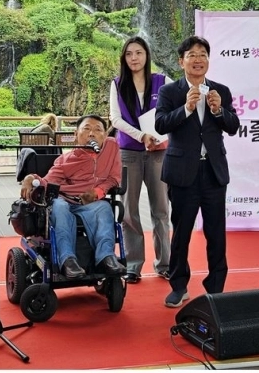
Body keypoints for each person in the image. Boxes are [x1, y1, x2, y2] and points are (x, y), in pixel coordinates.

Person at [155, 35, 240, 308]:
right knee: (181, 234)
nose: (198, 59)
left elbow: (233, 126)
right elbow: (160, 125)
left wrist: (218, 110)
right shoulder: (170, 92)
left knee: (216, 234)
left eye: (203, 54)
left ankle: (215, 288)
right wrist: (186, 108)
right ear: (181, 61)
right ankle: (179, 286)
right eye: (192, 55)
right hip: (183, 173)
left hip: (213, 173)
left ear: (208, 60)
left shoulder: (220, 91)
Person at [20, 114, 127, 279]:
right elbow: (47, 182)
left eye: (98, 130)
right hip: (65, 200)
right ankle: (67, 260)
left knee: (104, 207)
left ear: (105, 135)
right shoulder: (66, 160)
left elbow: (114, 178)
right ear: (76, 134)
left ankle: (106, 257)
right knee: (59, 207)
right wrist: (30, 178)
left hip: (90, 202)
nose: (92, 134)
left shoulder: (111, 147)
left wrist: (98, 192)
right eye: (86, 129)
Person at [109, 36, 172, 284]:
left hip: (158, 152)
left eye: (138, 53)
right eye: (129, 54)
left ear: (147, 55)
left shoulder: (162, 81)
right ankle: (133, 265)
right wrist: (140, 135)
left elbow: (177, 109)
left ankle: (165, 264)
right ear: (123, 58)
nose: (134, 58)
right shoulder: (117, 84)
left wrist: (162, 134)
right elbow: (115, 119)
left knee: (161, 209)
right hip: (129, 152)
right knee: (129, 211)